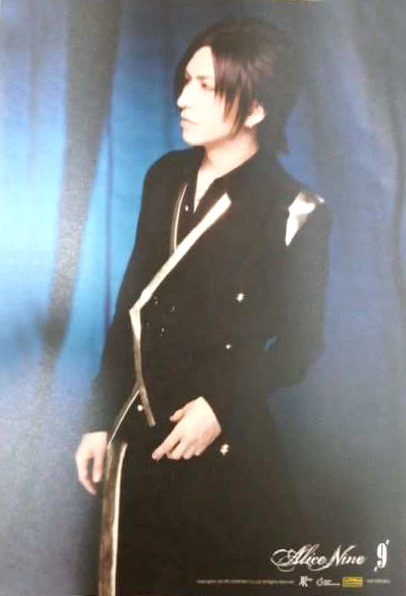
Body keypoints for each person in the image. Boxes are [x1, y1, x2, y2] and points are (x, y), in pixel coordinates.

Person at [75, 17, 331, 596]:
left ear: (256, 108)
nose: (183, 98)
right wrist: (98, 418)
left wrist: (220, 407)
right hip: (140, 434)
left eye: (206, 86)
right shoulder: (164, 177)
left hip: (224, 450)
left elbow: (299, 348)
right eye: (186, 80)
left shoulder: (297, 211)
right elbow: (132, 305)